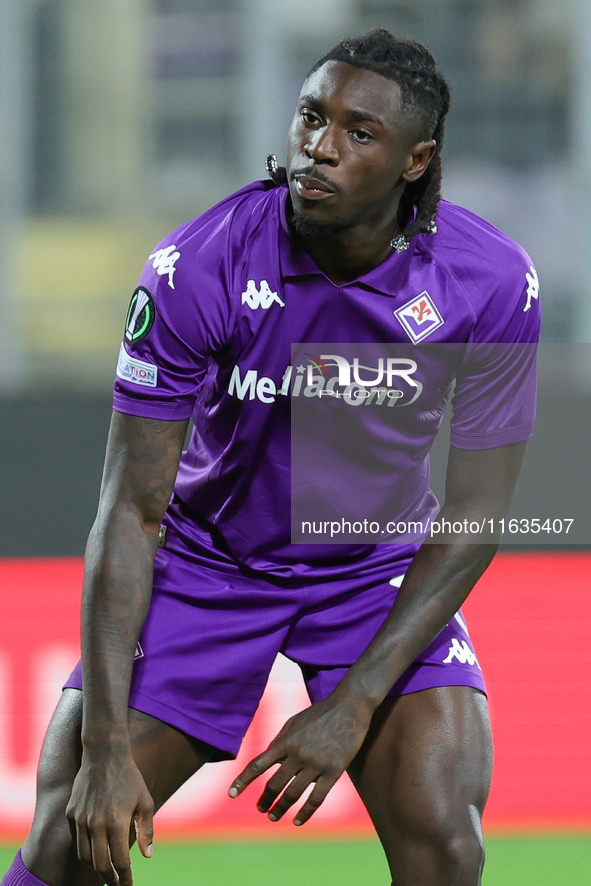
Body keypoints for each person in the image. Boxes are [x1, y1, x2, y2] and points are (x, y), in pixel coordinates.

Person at [2, 28, 539, 886]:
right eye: (310, 116)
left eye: (358, 133)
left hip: (372, 565)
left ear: (415, 160)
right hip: (210, 563)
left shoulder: (489, 282)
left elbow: (477, 512)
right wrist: (105, 746)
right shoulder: (199, 266)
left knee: (445, 840)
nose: (319, 147)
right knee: (72, 843)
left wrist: (354, 702)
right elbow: (131, 511)